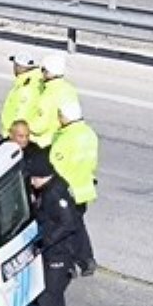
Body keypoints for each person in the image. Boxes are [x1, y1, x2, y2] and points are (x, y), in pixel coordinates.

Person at [17, 155, 82, 306]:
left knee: (46, 292)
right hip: (58, 248)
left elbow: (68, 223)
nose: (31, 182)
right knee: (55, 288)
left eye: (33, 178)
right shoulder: (52, 187)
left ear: (42, 176)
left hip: (59, 251)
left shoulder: (55, 193)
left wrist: (46, 240)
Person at [48, 100, 100, 276]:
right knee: (78, 224)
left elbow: (56, 166)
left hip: (67, 190)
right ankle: (86, 259)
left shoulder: (66, 137)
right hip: (85, 188)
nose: (59, 118)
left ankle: (71, 263)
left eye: (60, 115)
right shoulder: (89, 133)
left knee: (64, 226)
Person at [27, 52, 79, 150]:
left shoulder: (49, 92)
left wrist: (26, 128)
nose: (41, 73)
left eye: (43, 70)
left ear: (50, 72)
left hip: (42, 143)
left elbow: (40, 124)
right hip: (61, 141)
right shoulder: (69, 89)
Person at [0, 51, 43, 138]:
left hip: (16, 136)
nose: (14, 68)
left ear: (20, 67)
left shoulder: (26, 86)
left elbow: (21, 112)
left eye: (15, 65)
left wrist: (13, 135)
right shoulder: (35, 80)